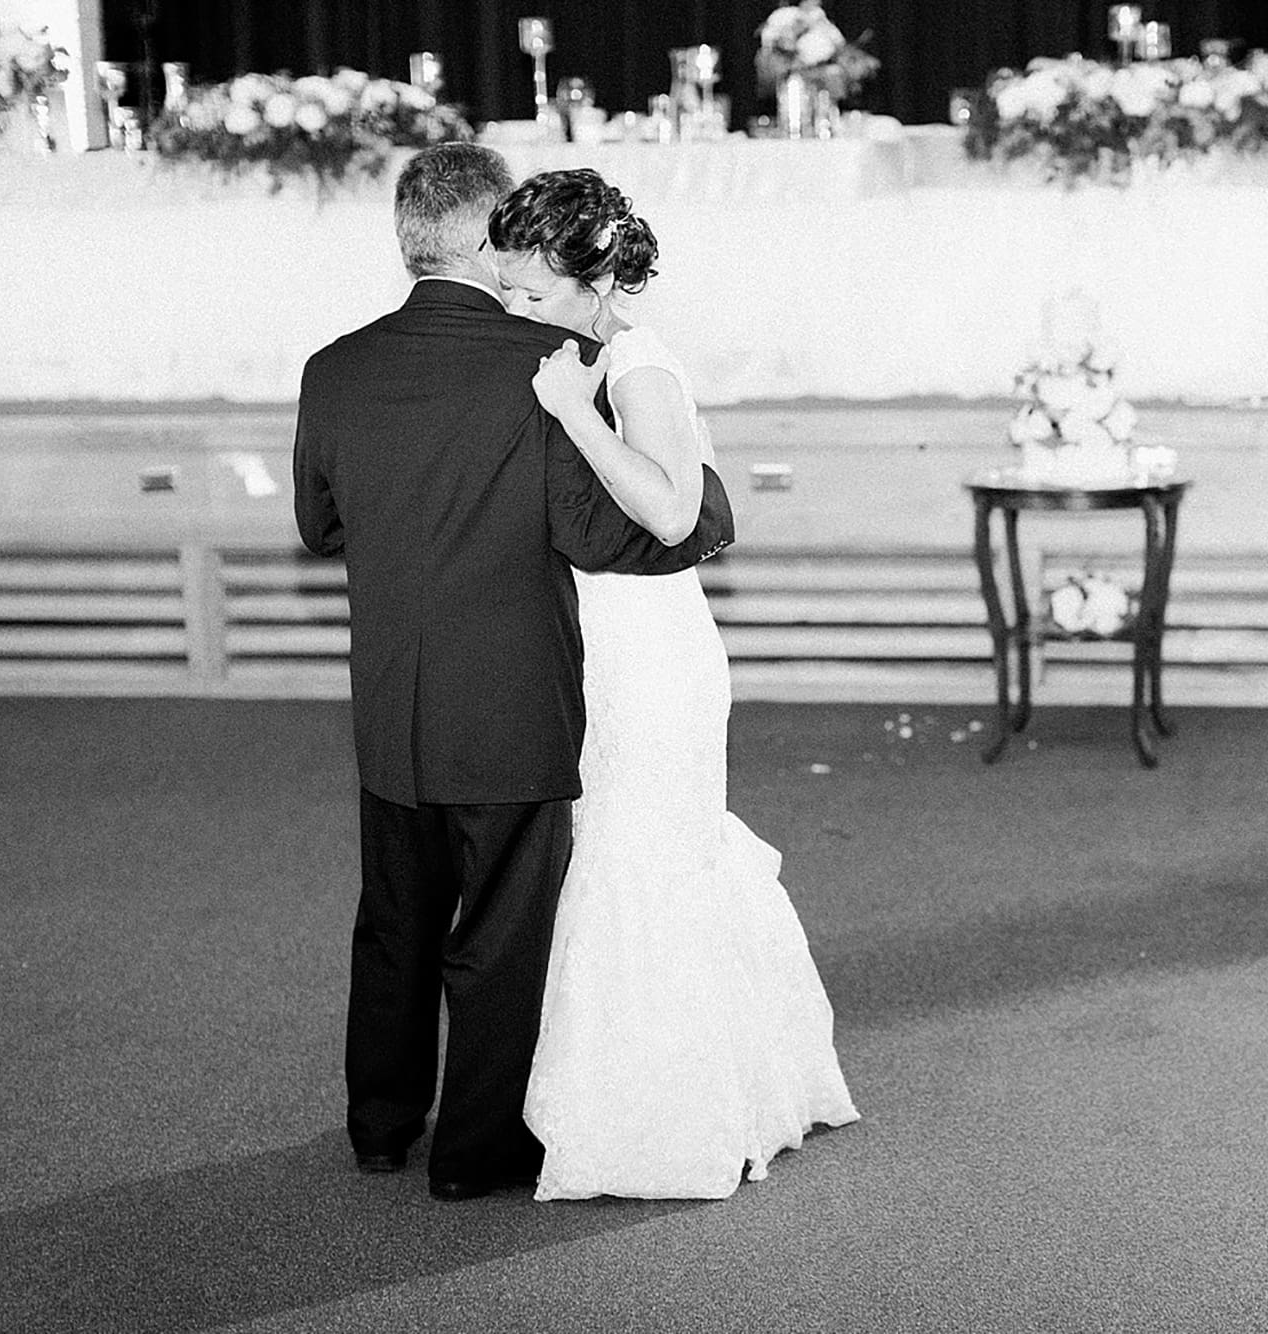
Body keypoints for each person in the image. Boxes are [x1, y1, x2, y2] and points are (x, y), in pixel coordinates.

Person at [291, 144, 734, 1203]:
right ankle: (474, 1152)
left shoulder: (333, 367)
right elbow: (614, 533)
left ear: (406, 236)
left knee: (393, 918)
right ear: (492, 239)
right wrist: (702, 507)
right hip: (510, 706)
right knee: (496, 934)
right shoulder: (544, 365)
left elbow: (319, 525)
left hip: (391, 703)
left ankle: (381, 1125)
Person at [487, 168, 858, 1200]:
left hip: (652, 656)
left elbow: (666, 511)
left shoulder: (638, 365)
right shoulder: (589, 353)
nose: (514, 310)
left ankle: (666, 1113)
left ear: (593, 276)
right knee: (617, 844)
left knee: (639, 853)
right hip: (605, 642)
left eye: (530, 291)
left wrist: (572, 410)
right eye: (507, 291)